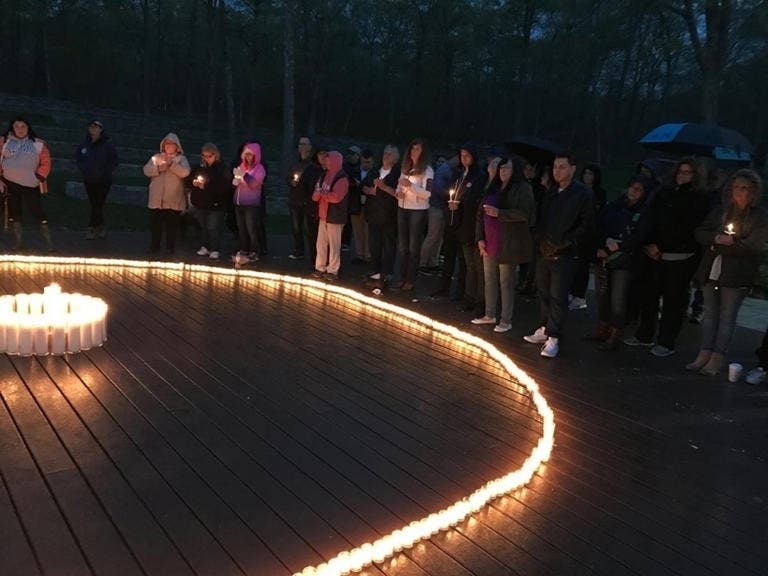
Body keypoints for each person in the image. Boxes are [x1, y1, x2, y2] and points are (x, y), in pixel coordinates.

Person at [685, 169, 768, 376]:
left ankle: (717, 358)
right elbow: (700, 232)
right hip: (712, 269)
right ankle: (704, 353)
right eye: (736, 187)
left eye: (745, 188)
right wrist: (716, 238)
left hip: (737, 274)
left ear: (754, 192)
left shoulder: (760, 217)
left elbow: (754, 246)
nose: (740, 192)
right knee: (710, 314)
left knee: (727, 316)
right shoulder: (720, 211)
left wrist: (727, 244)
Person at [624, 157, 709, 357]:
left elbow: (688, 228)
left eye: (688, 172)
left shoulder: (698, 199)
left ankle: (666, 341)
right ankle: (645, 334)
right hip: (655, 254)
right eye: (680, 171)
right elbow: (651, 217)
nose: (683, 176)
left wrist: (662, 245)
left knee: (674, 301)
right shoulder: (663, 192)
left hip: (680, 256)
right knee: (649, 298)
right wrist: (649, 243)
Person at [523, 151, 595, 358]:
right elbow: (541, 218)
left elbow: (586, 226)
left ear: (573, 169)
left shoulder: (583, 195)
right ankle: (545, 328)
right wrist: (539, 238)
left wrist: (564, 244)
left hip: (565, 254)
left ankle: (554, 336)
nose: (557, 171)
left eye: (562, 167)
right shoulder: (552, 192)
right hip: (544, 250)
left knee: (558, 295)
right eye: (555, 167)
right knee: (543, 291)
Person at [586, 175, 652, 350]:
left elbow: (640, 236)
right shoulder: (614, 206)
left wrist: (619, 245)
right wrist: (603, 244)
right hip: (604, 255)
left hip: (626, 260)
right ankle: (602, 327)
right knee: (602, 294)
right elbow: (599, 225)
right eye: (632, 187)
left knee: (618, 297)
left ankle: (615, 333)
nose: (634, 191)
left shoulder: (644, 212)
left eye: (639, 189)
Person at [472, 156, 534, 333]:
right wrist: (480, 238)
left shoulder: (523, 188)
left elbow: (525, 214)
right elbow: (480, 214)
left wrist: (500, 213)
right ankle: (489, 314)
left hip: (508, 242)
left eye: (507, 168)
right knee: (489, 279)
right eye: (501, 168)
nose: (503, 172)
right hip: (489, 240)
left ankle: (506, 319)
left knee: (506, 282)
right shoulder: (493, 187)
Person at [0, 117, 53, 251]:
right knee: (15, 212)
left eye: (23, 126)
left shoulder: (38, 144)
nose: (20, 129)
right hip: (9, 183)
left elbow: (46, 162)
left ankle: (49, 243)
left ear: (28, 127)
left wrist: (39, 177)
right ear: (12, 128)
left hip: (30, 183)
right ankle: (18, 242)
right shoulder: (4, 141)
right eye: (17, 126)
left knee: (37, 211)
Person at [395, 138, 433, 290]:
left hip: (418, 210)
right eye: (412, 149)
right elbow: (399, 185)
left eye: (418, 149)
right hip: (402, 207)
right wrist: (399, 193)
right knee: (403, 246)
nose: (414, 152)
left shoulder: (428, 170)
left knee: (413, 246)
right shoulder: (405, 168)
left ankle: (411, 279)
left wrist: (411, 186)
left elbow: (427, 193)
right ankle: (402, 277)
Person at [142, 133, 190, 255]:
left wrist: (172, 165)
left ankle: (170, 248)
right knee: (155, 225)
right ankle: (154, 246)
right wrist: (158, 169)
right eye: (167, 144)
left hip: (173, 199)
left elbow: (185, 172)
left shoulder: (181, 159)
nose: (169, 146)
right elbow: (146, 170)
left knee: (171, 226)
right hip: (156, 199)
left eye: (171, 144)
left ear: (177, 146)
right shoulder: (156, 158)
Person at [568, 163, 607, 310]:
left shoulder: (599, 193)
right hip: (576, 231)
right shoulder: (577, 191)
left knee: (583, 265)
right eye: (585, 173)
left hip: (589, 234)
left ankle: (579, 295)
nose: (587, 177)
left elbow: (599, 213)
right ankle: (572, 292)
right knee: (573, 264)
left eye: (590, 174)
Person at [362, 145, 400, 289]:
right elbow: (364, 186)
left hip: (389, 214)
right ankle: (374, 270)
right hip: (373, 213)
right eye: (385, 153)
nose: (386, 156)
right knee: (374, 244)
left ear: (396, 158)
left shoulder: (398, 174)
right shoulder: (375, 170)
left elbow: (399, 193)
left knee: (389, 245)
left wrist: (383, 187)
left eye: (390, 154)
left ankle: (387, 272)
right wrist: (369, 190)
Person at [75, 119, 119, 240]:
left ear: (101, 129)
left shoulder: (107, 144)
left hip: (104, 180)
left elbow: (114, 160)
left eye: (96, 127)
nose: (93, 129)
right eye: (91, 127)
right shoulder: (84, 143)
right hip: (89, 179)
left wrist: (104, 172)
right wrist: (84, 169)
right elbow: (79, 158)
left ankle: (91, 228)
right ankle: (101, 226)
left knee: (97, 204)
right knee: (95, 204)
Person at [188, 143, 230, 260]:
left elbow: (224, 187)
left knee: (213, 227)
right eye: (204, 155)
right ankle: (205, 246)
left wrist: (205, 186)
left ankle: (215, 249)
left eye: (209, 156)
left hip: (216, 204)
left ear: (215, 155)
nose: (206, 158)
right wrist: (194, 183)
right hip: (201, 202)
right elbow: (190, 179)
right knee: (203, 226)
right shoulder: (200, 167)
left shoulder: (221, 168)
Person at [312, 151, 349, 281]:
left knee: (334, 245)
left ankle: (333, 270)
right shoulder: (324, 175)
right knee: (320, 243)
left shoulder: (342, 178)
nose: (325, 161)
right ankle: (320, 267)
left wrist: (322, 194)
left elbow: (336, 197)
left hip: (335, 216)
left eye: (328, 160)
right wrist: (320, 194)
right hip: (323, 215)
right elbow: (316, 192)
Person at [232, 142, 266, 264]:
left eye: (250, 155)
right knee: (241, 228)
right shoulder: (242, 165)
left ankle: (254, 250)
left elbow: (254, 184)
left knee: (251, 228)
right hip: (239, 201)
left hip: (251, 203)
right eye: (246, 155)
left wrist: (244, 176)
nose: (248, 157)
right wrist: (236, 178)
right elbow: (236, 182)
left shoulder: (260, 169)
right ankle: (244, 248)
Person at [287, 136, 314, 260]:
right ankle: (299, 250)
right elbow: (288, 176)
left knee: (308, 229)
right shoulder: (294, 162)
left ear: (310, 146)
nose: (302, 146)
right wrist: (291, 182)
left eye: (305, 144)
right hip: (294, 199)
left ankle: (313, 253)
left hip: (306, 201)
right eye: (300, 144)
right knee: (296, 228)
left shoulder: (312, 164)